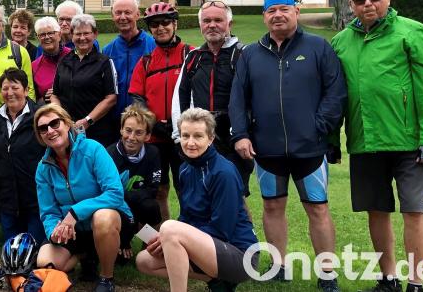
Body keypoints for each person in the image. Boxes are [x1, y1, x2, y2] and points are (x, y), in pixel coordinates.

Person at [330, 0, 423, 292]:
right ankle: (388, 277)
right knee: (376, 210)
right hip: (365, 142)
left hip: (409, 143)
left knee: (413, 210)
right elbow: (335, 97)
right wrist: (331, 140)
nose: (367, 3)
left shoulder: (413, 32)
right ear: (351, 5)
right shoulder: (340, 42)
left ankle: (416, 282)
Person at [229, 0, 346, 291]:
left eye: (284, 9)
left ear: (296, 12)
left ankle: (327, 271)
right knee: (272, 207)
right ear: (264, 16)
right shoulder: (251, 54)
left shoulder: (319, 47)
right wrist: (241, 135)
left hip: (309, 148)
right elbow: (238, 99)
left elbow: (335, 93)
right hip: (267, 148)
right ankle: (279, 265)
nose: (277, 15)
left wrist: (318, 126)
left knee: (317, 209)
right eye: (271, 11)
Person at [135, 108, 259, 292]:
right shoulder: (185, 169)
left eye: (198, 136)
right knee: (144, 261)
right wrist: (166, 241)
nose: (190, 142)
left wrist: (176, 236)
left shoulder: (223, 172)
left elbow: (222, 229)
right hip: (210, 247)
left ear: (210, 138)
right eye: (185, 136)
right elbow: (187, 218)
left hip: (240, 254)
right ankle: (218, 282)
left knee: (169, 228)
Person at [34, 104, 134, 292]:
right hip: (75, 230)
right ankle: (87, 254)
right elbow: (48, 211)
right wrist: (54, 230)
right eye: (43, 128)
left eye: (55, 123)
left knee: (102, 217)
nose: (50, 131)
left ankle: (106, 278)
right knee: (45, 262)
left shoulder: (93, 149)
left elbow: (115, 193)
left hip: (111, 220)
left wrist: (75, 212)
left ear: (67, 124)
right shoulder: (43, 168)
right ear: (40, 136)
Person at [173, 0, 253, 201]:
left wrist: (243, 133)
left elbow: (255, 99)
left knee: (234, 197)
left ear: (229, 24)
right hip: (201, 139)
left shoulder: (244, 55)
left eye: (218, 20)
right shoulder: (194, 57)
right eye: (206, 21)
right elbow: (180, 98)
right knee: (200, 196)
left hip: (232, 140)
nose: (212, 25)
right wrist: (179, 135)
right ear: (201, 25)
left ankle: (243, 233)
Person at [128, 2, 192, 221]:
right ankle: (163, 238)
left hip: (184, 136)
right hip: (155, 138)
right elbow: (137, 97)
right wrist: (154, 123)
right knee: (158, 191)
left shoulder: (190, 54)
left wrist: (179, 125)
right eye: (155, 24)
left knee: (188, 189)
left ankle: (190, 238)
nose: (161, 27)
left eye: (166, 22)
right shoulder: (145, 62)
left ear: (175, 24)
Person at [0, 68, 46, 243]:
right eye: (5, 88)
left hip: (35, 200)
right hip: (7, 200)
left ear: (27, 90)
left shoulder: (39, 118)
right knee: (12, 251)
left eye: (15, 87)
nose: (10, 93)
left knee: (32, 251)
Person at [51, 14, 118, 145]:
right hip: (67, 130)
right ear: (72, 35)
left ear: (95, 34)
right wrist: (62, 117)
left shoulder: (104, 62)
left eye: (86, 33)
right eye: (78, 34)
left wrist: (88, 120)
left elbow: (111, 98)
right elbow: (55, 94)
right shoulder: (64, 61)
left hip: (97, 132)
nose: (82, 38)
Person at [106, 104, 161, 259]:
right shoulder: (109, 154)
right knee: (121, 261)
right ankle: (124, 240)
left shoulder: (153, 153)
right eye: (128, 130)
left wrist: (130, 198)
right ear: (121, 130)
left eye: (139, 133)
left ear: (148, 136)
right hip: (116, 208)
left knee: (151, 206)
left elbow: (153, 189)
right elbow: (108, 193)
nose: (131, 137)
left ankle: (149, 245)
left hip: (138, 203)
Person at [103, 0, 156, 117]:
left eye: (127, 12)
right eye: (118, 13)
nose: (122, 17)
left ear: (138, 15)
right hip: (115, 119)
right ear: (112, 16)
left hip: (146, 118)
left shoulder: (153, 46)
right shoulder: (107, 50)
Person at [31, 16, 71, 103]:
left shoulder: (74, 57)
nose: (46, 37)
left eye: (51, 33)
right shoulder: (34, 66)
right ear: (38, 38)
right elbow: (34, 100)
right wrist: (46, 98)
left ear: (59, 35)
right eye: (42, 34)